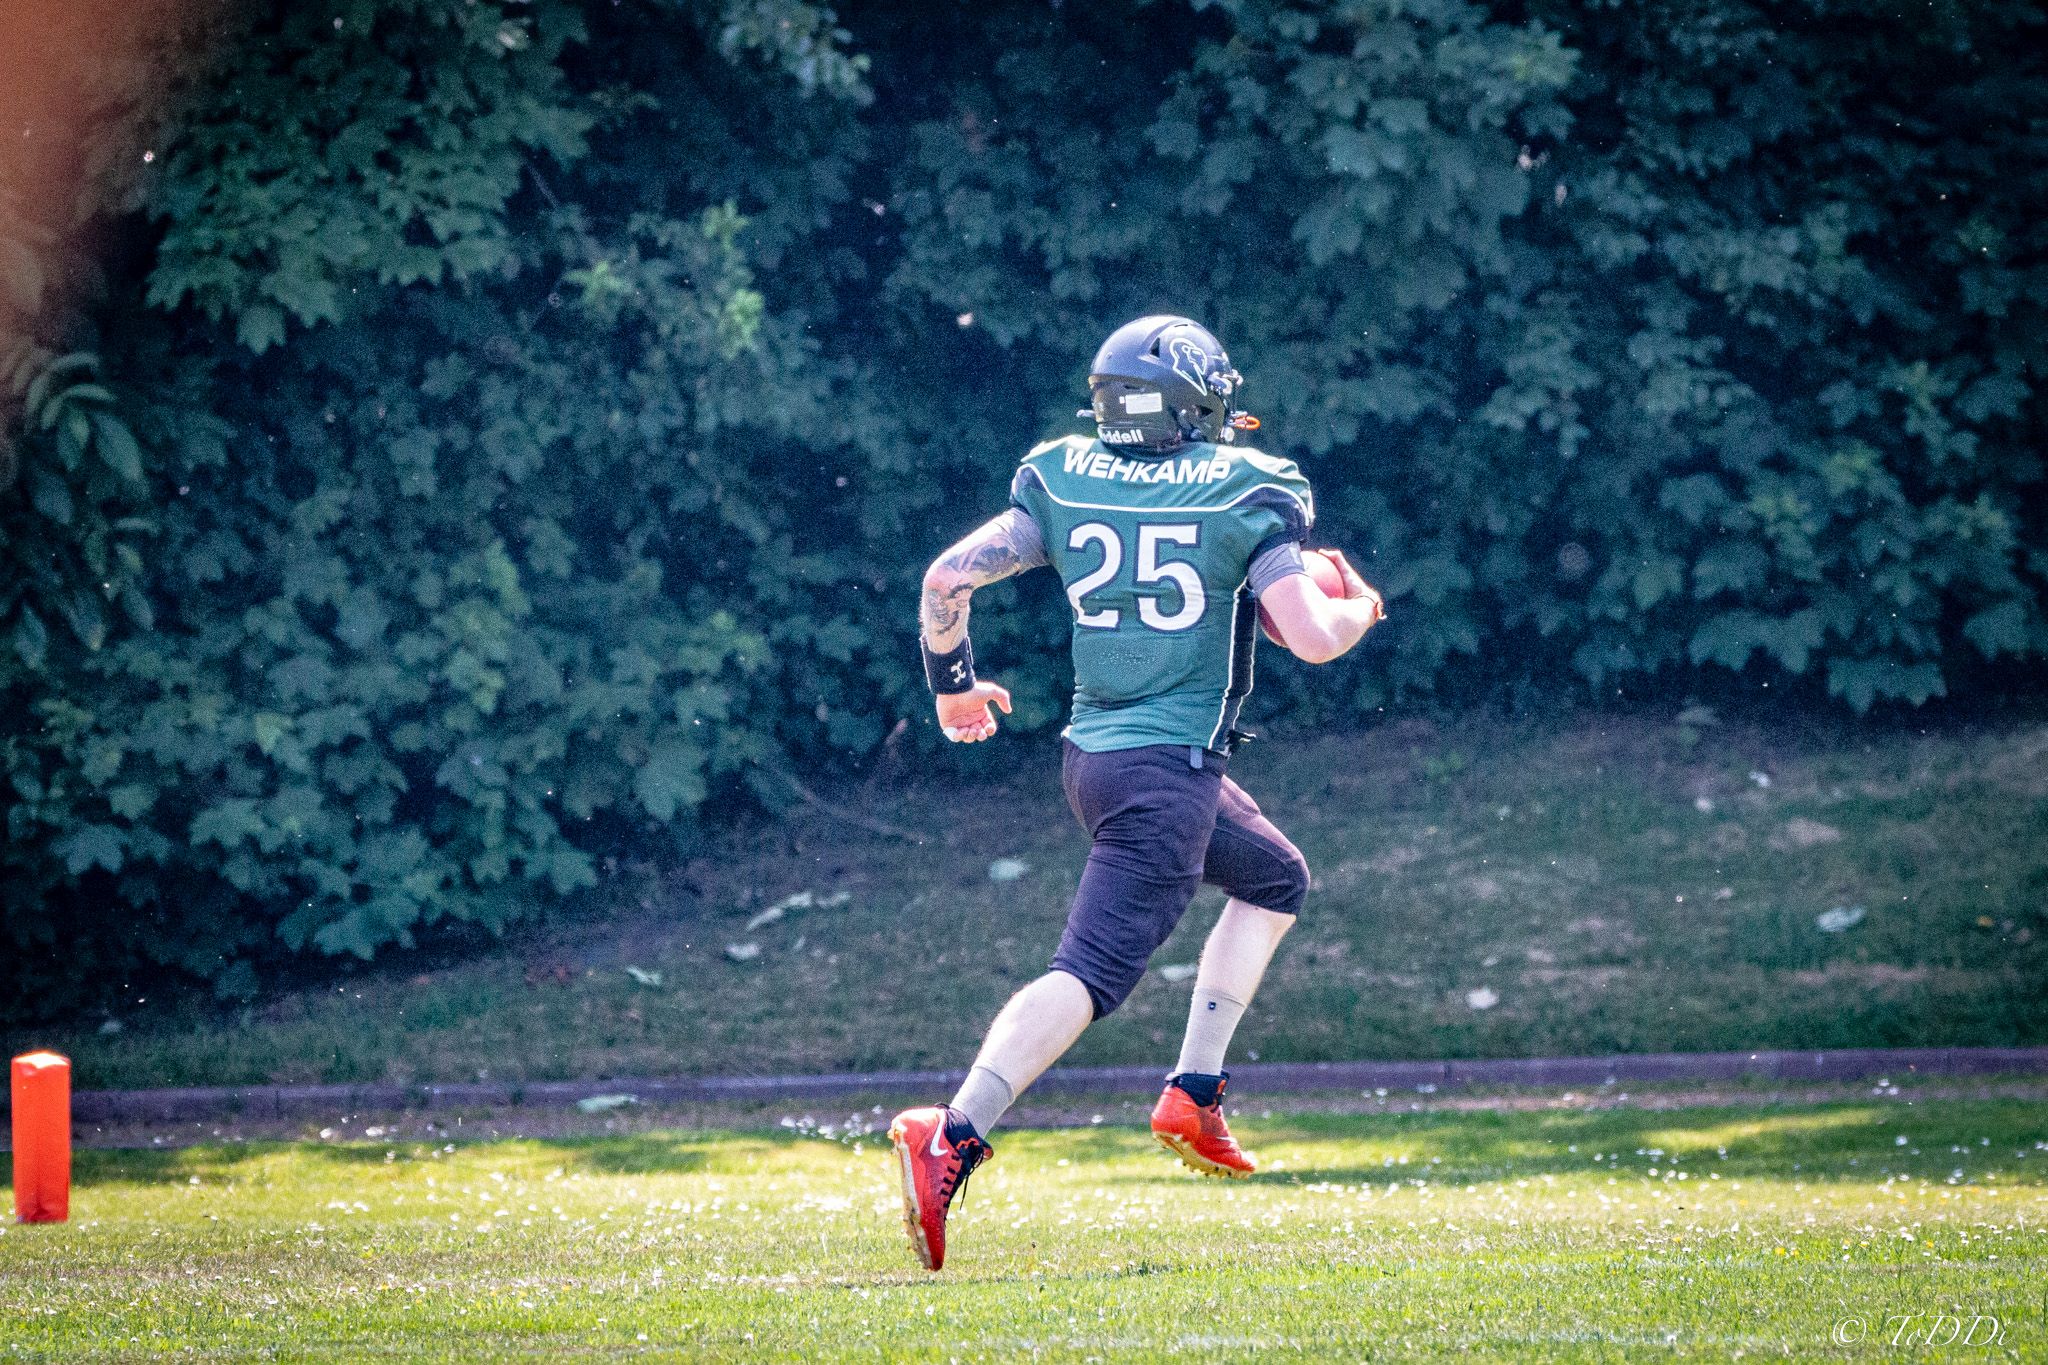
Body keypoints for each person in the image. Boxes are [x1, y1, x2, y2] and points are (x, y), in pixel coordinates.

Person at [888, 315, 1385, 1271]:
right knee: (1088, 975)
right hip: (1166, 776)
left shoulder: (1065, 474)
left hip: (1097, 761)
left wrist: (952, 688)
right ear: (1195, 404)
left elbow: (947, 577)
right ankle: (954, 1130)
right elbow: (1314, 637)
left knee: (1275, 877)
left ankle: (1194, 1092)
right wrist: (1358, 605)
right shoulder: (1246, 489)